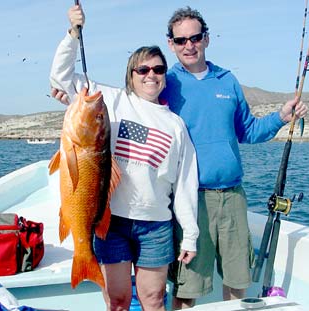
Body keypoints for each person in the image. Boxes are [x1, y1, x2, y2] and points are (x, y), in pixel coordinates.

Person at [49, 5, 199, 311]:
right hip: (112, 221)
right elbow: (60, 75)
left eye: (158, 69)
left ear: (164, 76)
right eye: (142, 70)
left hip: (155, 226)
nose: (151, 75)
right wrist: (72, 34)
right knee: (117, 302)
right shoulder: (111, 100)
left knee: (154, 300)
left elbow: (184, 184)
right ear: (130, 75)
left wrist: (190, 235)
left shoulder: (175, 125)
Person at [160, 6, 308, 309]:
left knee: (239, 282)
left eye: (195, 37)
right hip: (189, 202)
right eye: (181, 40)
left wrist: (281, 116)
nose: (189, 45)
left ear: (207, 39)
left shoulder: (227, 81)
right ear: (170, 44)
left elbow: (249, 131)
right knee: (188, 287)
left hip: (233, 197)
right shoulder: (164, 83)